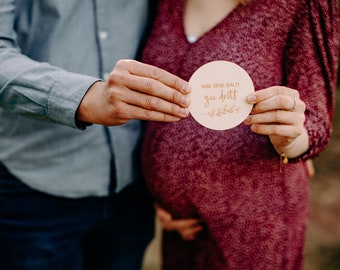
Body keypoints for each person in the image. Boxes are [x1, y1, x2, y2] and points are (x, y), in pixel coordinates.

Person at [141, 0, 339, 269]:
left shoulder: (299, 5)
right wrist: (160, 193)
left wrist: (290, 137)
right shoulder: (166, 3)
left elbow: (315, 123)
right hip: (180, 229)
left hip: (254, 226)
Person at [0, 1, 192, 269]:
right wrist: (86, 97)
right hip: (33, 186)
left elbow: (173, 24)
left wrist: (176, 187)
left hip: (132, 185)